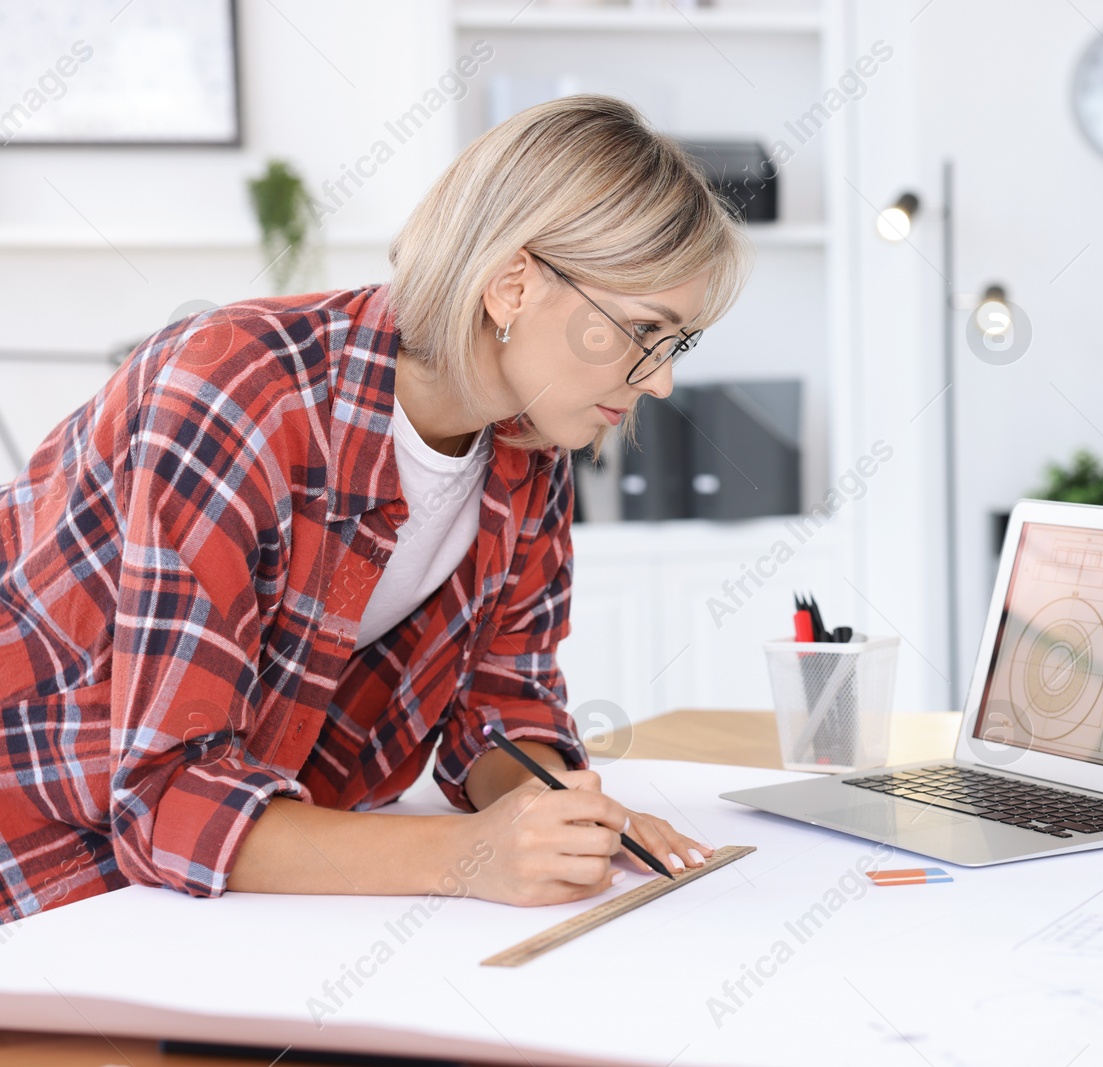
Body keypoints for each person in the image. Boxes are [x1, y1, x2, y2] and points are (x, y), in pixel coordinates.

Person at [0, 95, 750, 921]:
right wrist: (471, 856)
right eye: (644, 330)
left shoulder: (530, 450)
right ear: (512, 284)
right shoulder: (236, 387)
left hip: (220, 892)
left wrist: (561, 814)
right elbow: (167, 799)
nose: (660, 381)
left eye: (676, 342)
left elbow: (501, 707)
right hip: (45, 862)